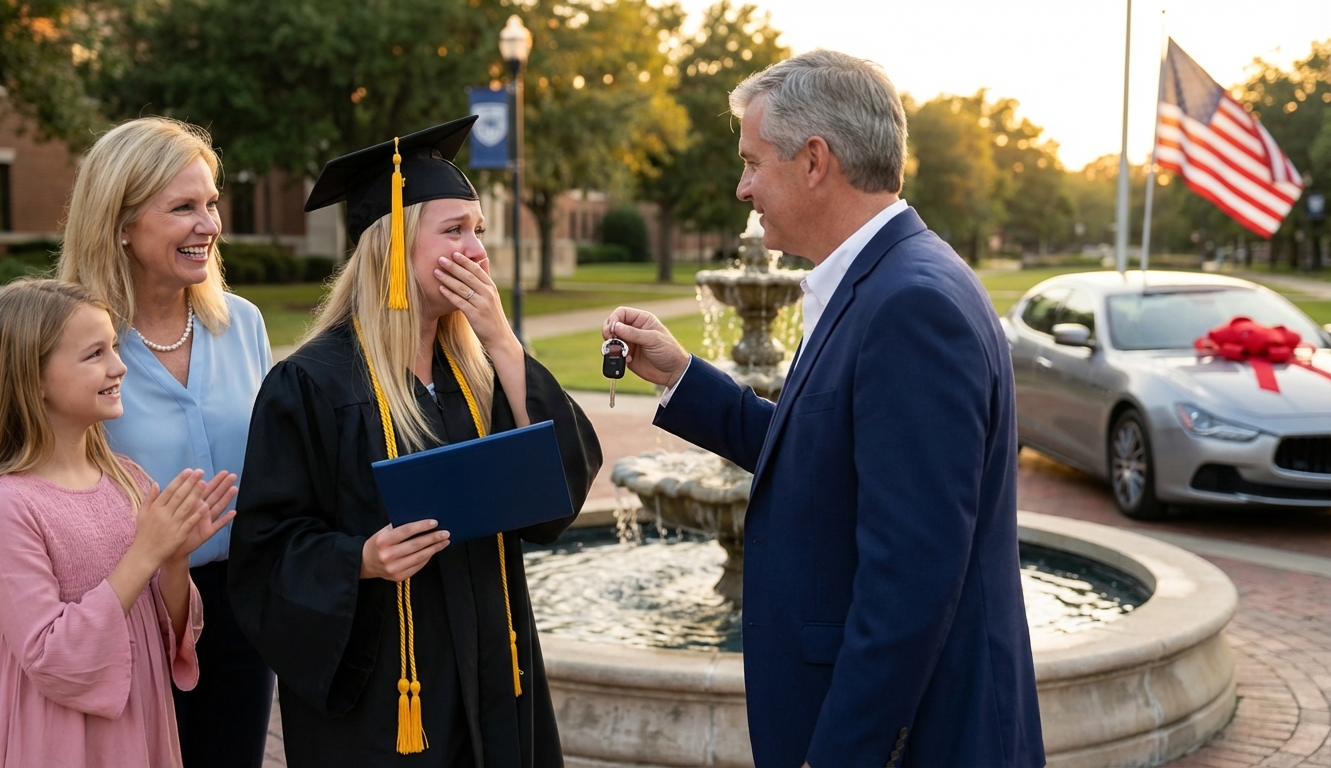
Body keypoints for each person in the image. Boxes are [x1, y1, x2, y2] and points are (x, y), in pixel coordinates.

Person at [603, 51, 1045, 767]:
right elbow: (819, 453)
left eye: (753, 162)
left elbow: (910, 581)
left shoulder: (911, 305)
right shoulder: (877, 278)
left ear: (814, 160)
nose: (742, 188)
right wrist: (683, 376)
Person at [228, 116, 602, 767]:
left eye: (479, 231)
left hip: (492, 669)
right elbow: (265, 553)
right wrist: (361, 560)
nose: (479, 250)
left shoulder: (479, 370)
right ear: (392, 250)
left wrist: (505, 343)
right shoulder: (310, 385)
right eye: (454, 231)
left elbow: (559, 487)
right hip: (387, 695)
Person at [55, 117, 276, 767]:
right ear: (119, 222)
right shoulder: (67, 339)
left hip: (240, 607)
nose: (208, 224)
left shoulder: (243, 324)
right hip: (124, 606)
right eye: (183, 207)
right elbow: (25, 475)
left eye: (211, 203)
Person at [0, 279, 236, 768]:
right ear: (33, 377)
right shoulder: (2, 504)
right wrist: (145, 553)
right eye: (95, 354)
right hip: (56, 738)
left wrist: (174, 558)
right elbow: (52, 655)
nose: (119, 366)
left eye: (115, 347)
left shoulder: (126, 479)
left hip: (139, 721)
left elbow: (169, 631)